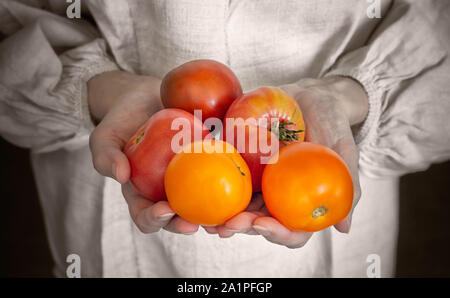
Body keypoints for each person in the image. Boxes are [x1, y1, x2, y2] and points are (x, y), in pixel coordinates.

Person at [0, 0, 449, 278]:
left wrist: (346, 94)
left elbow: (436, 27)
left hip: (336, 150)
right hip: (104, 165)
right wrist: (103, 87)